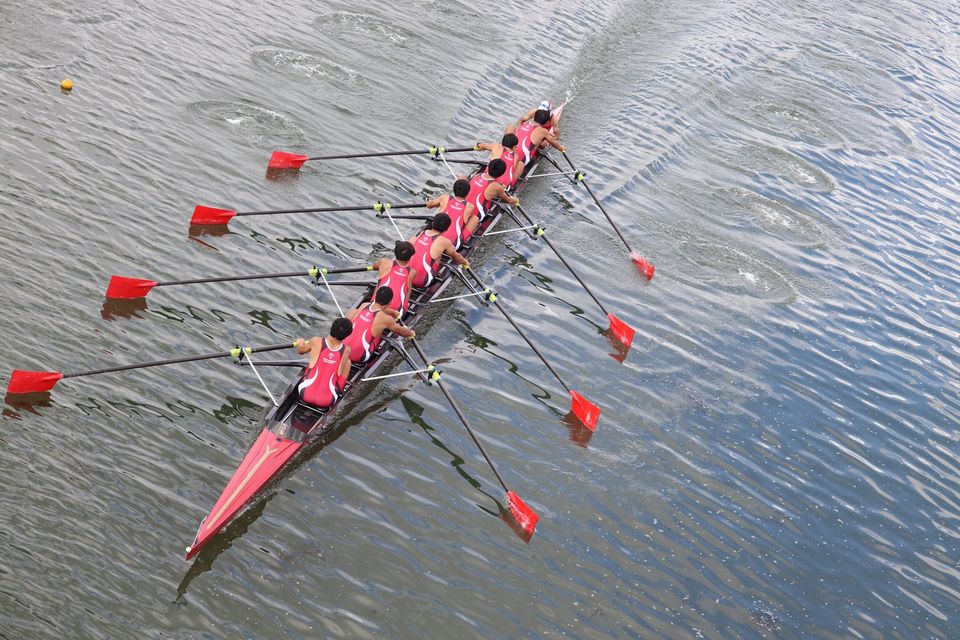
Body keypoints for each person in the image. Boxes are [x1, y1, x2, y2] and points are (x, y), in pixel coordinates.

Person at [343, 286, 416, 364]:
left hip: (343, 350)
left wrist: (392, 312)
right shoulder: (385, 318)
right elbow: (402, 332)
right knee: (378, 333)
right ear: (390, 302)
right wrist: (411, 333)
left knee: (355, 317)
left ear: (375, 297)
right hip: (359, 357)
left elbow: (378, 309)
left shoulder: (364, 305)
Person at [295, 317, 353, 409]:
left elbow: (300, 351)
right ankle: (339, 391)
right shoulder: (347, 350)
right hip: (326, 401)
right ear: (347, 335)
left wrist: (300, 342)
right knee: (348, 362)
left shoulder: (316, 341)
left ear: (332, 328)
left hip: (304, 393)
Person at [408, 213, 470, 288]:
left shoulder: (421, 232)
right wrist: (465, 262)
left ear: (433, 223)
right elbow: (457, 257)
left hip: (406, 277)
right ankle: (435, 274)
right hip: (422, 282)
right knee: (438, 254)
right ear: (447, 229)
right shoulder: (444, 241)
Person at [426, 178, 476, 250]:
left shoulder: (445, 198)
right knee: (475, 218)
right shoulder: (470, 206)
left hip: (434, 241)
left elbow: (429, 205)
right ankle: (464, 241)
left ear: (454, 190)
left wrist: (433, 202)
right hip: (454, 245)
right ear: (467, 193)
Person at [514, 108, 566, 175]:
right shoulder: (543, 131)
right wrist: (562, 148)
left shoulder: (525, 124)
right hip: (523, 159)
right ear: (546, 122)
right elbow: (556, 145)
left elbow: (521, 120)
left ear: (534, 117)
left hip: (512, 153)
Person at [372, 241, 416, 316]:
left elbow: (374, 267)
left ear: (395, 253)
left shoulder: (384, 262)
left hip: (375, 308)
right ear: (410, 258)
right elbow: (408, 293)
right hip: (397, 312)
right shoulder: (412, 272)